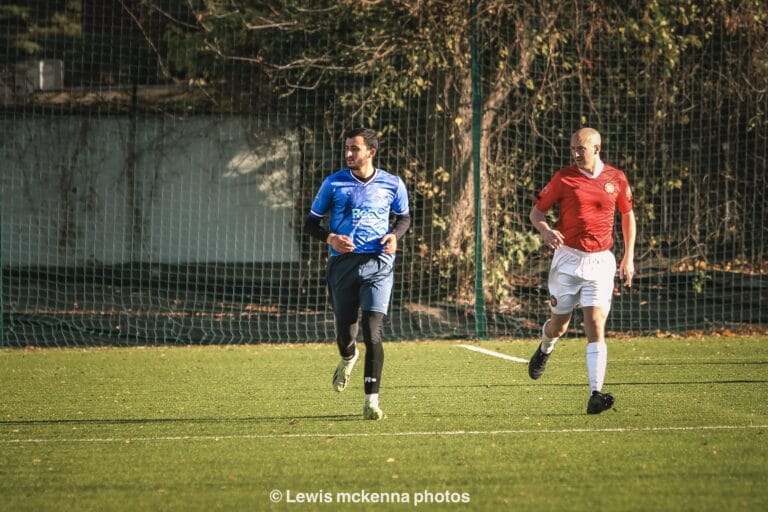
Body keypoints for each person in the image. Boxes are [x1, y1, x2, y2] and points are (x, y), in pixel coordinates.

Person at [304, 127, 411, 420]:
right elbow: (311, 223)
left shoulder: (392, 183)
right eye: (347, 148)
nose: (349, 153)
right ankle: (347, 358)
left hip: (379, 265)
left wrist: (395, 236)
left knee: (373, 331)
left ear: (371, 152)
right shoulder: (334, 183)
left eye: (355, 148)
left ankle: (371, 402)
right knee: (346, 333)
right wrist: (331, 239)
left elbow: (404, 217)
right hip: (343, 266)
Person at [528, 127, 636, 414]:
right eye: (573, 148)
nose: (575, 154)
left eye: (581, 149)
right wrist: (546, 231)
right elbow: (536, 213)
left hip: (601, 262)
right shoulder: (563, 178)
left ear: (597, 149)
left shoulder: (616, 178)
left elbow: (627, 214)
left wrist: (629, 257)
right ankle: (545, 347)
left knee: (595, 325)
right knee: (559, 326)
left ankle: (595, 393)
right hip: (568, 260)